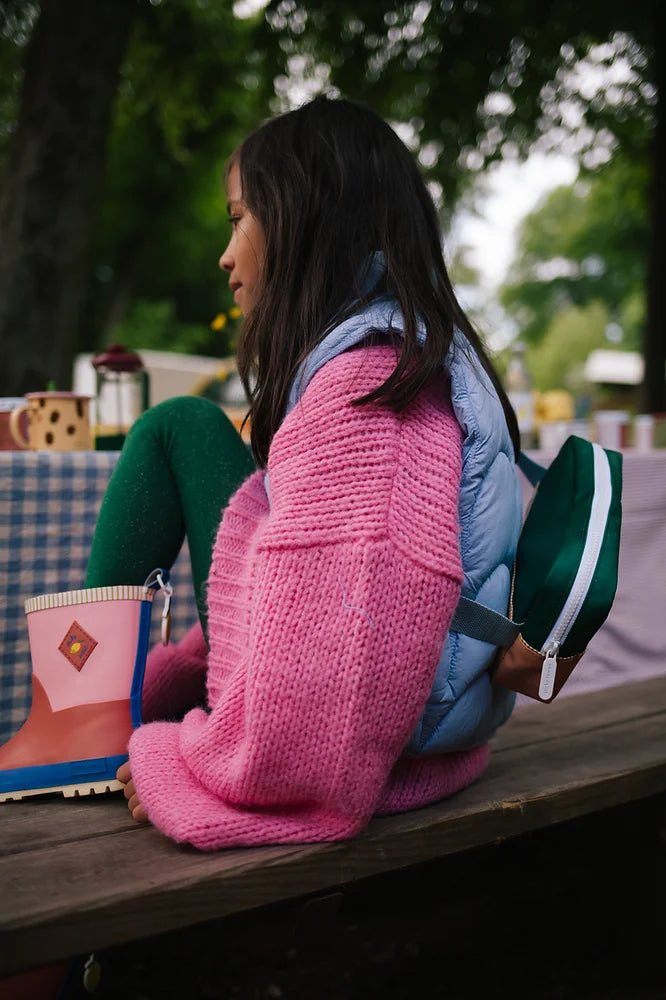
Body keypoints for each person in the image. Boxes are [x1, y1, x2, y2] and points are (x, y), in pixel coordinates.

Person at [94, 95, 523, 849]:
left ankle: (81, 712)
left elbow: (328, 688)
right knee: (188, 427)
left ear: (301, 220)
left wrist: (175, 757)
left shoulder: (369, 397)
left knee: (180, 427)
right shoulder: (403, 359)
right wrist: (166, 685)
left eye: (237, 218)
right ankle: (88, 703)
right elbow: (312, 589)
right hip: (430, 725)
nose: (226, 256)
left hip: (385, 748)